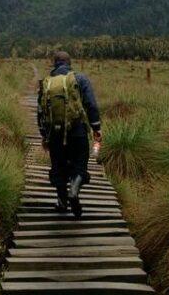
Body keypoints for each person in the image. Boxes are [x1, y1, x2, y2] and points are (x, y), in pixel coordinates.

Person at [37, 51, 102, 218]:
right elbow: (91, 105)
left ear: (54, 63)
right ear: (69, 63)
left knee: (58, 166)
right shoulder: (80, 79)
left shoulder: (46, 82)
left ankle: (62, 202)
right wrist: (96, 128)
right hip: (77, 131)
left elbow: (40, 113)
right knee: (80, 163)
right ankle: (74, 190)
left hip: (55, 134)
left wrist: (44, 135)